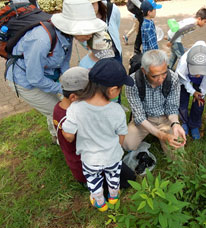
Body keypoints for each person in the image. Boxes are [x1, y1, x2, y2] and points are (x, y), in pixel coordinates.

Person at [5, 0, 105, 142]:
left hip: (47, 75)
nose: (91, 35)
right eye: (88, 30)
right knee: (59, 110)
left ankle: (55, 134)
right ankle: (64, 142)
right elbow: (35, 78)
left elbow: (64, 63)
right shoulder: (41, 39)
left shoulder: (68, 36)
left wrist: (71, 86)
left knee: (65, 103)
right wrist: (64, 89)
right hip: (25, 82)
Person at [62, 58, 134, 212]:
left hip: (90, 159)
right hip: (112, 156)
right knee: (114, 177)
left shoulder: (76, 108)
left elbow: (68, 136)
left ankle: (99, 202)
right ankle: (114, 197)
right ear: (113, 90)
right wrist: (115, 148)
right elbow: (121, 136)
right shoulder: (117, 111)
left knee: (94, 180)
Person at [123, 49, 186, 158]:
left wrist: (175, 123)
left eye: (164, 74)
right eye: (155, 76)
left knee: (177, 154)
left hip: (166, 118)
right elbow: (139, 116)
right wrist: (162, 135)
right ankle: (155, 135)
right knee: (127, 144)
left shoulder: (173, 78)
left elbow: (172, 108)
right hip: (144, 119)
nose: (160, 79)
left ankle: (160, 134)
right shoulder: (132, 82)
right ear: (144, 71)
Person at [176, 41, 206, 140]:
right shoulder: (183, 62)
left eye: (200, 72)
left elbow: (205, 86)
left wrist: (199, 94)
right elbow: (183, 79)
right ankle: (184, 121)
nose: (197, 75)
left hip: (203, 81)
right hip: (185, 79)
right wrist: (192, 91)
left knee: (199, 102)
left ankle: (194, 124)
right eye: (195, 71)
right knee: (182, 99)